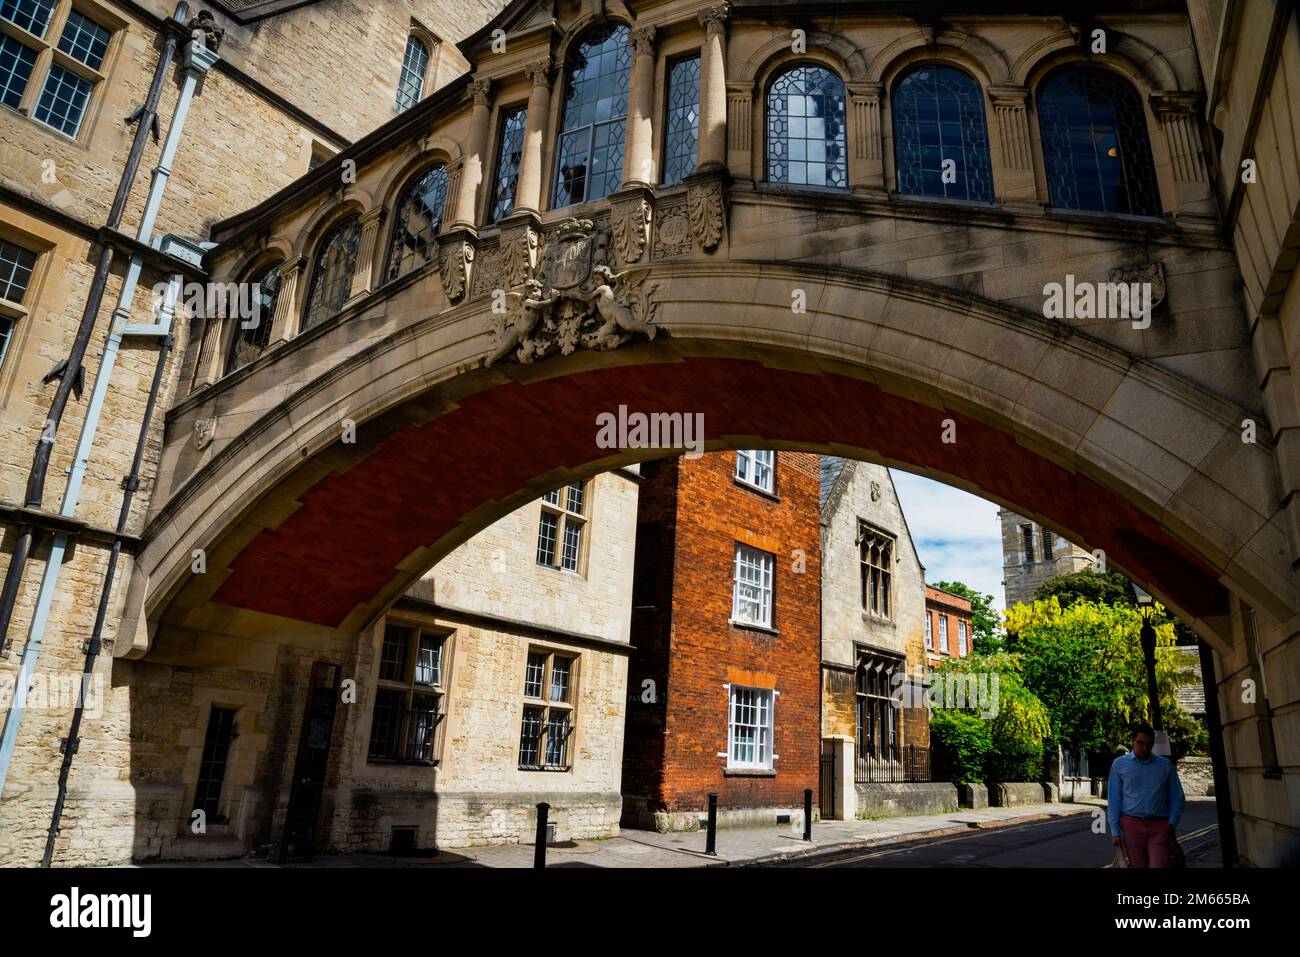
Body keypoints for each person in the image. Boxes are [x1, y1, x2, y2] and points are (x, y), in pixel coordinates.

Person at [1107, 722, 1185, 868]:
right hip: (1131, 824)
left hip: (1159, 825)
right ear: (1133, 741)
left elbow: (1177, 797)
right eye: (1140, 743)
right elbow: (1114, 799)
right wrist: (1115, 831)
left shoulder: (1164, 765)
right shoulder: (1119, 764)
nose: (1145, 748)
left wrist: (1171, 824)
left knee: (1158, 864)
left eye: (1149, 744)